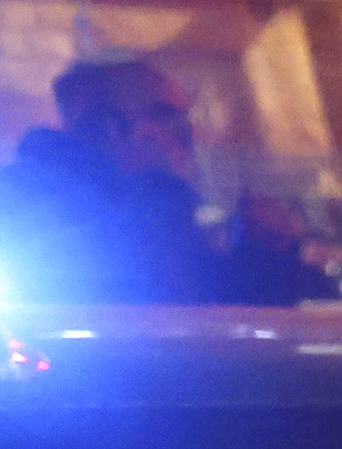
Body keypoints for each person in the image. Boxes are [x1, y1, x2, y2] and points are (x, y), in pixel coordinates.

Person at [0, 57, 242, 306]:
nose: (185, 137)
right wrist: (162, 186)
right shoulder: (23, 197)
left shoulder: (179, 201)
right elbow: (159, 293)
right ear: (111, 129)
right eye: (165, 117)